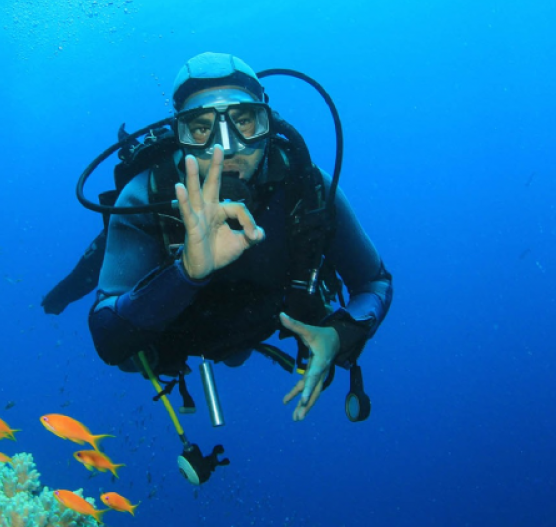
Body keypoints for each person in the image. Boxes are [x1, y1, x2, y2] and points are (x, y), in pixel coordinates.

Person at [78, 52, 393, 421]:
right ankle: (89, 268)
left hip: (258, 322)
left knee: (236, 356)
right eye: (201, 128)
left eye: (244, 121)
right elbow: (109, 343)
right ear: (180, 135)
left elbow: (374, 281)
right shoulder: (144, 198)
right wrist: (186, 272)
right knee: (137, 359)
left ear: (268, 123)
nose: (226, 148)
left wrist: (340, 334)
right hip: (177, 333)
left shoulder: (307, 188)